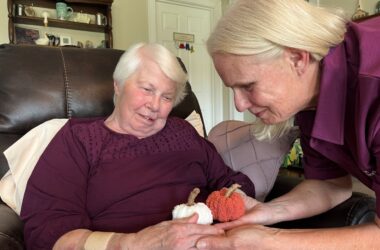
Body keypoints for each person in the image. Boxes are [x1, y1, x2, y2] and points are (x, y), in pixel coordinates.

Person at [19, 43, 256, 250]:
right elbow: (47, 235)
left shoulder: (183, 132)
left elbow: (231, 183)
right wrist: (132, 244)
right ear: (118, 85)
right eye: (147, 89)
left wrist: (230, 207)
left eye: (166, 97)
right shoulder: (78, 139)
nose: (154, 105)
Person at [196, 0, 380, 249]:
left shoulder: (374, 85)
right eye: (232, 89)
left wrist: (272, 240)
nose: (239, 105)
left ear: (297, 59)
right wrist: (266, 212)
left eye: (248, 86)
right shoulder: (309, 100)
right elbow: (332, 184)